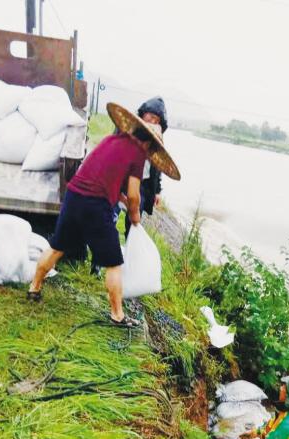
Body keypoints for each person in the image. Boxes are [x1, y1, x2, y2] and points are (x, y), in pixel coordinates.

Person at [28, 102, 180, 326]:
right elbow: (134, 194)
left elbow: (103, 175)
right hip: (95, 205)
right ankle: (117, 314)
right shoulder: (138, 154)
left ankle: (34, 287)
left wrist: (121, 199)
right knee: (114, 262)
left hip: (73, 196)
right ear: (148, 142)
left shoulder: (111, 140)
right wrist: (134, 215)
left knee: (56, 246)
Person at [122, 97, 168, 238]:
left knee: (135, 218)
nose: (153, 122)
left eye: (157, 121)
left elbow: (157, 165)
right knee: (112, 210)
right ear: (143, 113)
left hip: (143, 182)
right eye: (152, 117)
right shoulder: (127, 127)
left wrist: (157, 191)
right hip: (123, 177)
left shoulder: (155, 139)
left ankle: (130, 245)